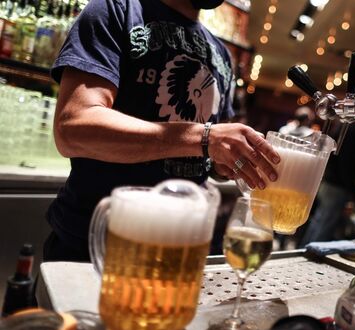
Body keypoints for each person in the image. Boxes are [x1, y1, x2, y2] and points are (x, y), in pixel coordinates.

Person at [44, 0, 281, 262]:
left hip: (177, 253)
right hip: (94, 248)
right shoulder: (116, 10)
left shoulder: (221, 55)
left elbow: (208, 154)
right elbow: (73, 128)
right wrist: (204, 138)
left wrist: (223, 163)